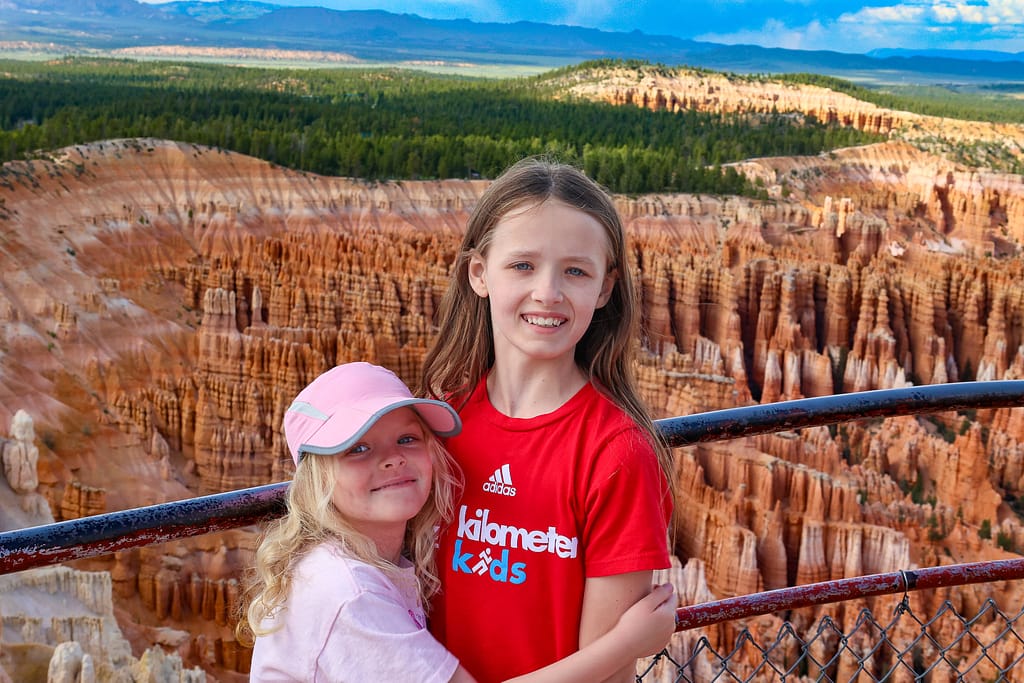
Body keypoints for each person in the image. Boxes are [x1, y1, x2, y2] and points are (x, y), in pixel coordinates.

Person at [240, 361, 676, 682]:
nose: (391, 458)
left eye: (407, 438)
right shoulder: (348, 594)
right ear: (317, 478)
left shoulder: (371, 562)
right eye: (357, 448)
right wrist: (625, 644)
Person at [420, 157, 676, 683]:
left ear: (604, 290)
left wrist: (624, 649)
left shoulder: (616, 454)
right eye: (522, 265)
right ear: (479, 273)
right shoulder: (438, 421)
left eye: (576, 271)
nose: (548, 292)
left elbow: (603, 676)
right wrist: (630, 642)